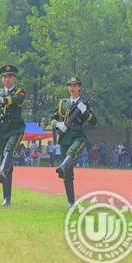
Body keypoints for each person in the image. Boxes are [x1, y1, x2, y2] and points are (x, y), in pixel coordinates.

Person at [50, 76, 97, 209]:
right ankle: (71, 202)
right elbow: (52, 119)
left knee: (71, 153)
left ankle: (61, 166)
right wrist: (59, 124)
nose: (72, 88)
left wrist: (84, 111)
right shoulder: (62, 104)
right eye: (70, 86)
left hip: (78, 136)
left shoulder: (84, 104)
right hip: (64, 137)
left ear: (79, 88)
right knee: (68, 173)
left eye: (75, 85)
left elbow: (94, 121)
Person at [0, 64, 27, 207]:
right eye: (4, 77)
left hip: (16, 129)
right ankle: (6, 198)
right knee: (6, 165)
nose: (7, 79)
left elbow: (17, 100)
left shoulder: (20, 92)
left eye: (10, 76)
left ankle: (2, 172)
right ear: (1, 79)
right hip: (2, 131)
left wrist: (3, 100)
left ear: (14, 78)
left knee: (9, 151)